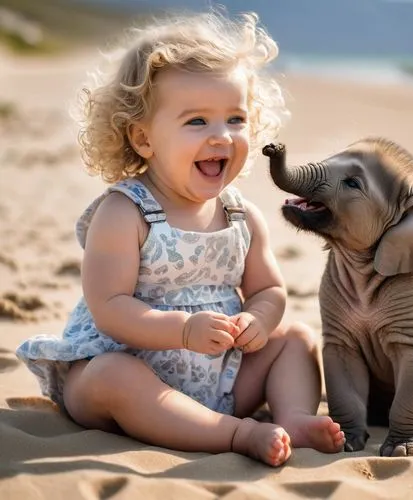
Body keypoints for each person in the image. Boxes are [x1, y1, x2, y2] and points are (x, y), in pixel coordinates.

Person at [16, 9, 345, 467]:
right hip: (130, 367)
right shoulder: (125, 211)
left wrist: (260, 320)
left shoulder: (240, 215)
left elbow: (269, 289)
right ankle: (235, 434)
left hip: (220, 377)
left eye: (235, 119)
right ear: (144, 138)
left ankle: (291, 417)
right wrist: (182, 330)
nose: (222, 136)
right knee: (112, 377)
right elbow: (109, 307)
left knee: (295, 338)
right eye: (197, 122)